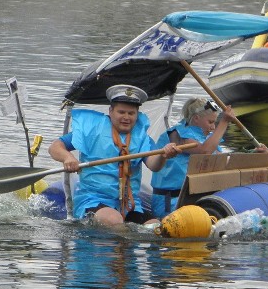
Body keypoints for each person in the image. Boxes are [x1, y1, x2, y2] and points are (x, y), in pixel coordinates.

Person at [48, 84, 179, 226]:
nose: (126, 117)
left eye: (131, 113)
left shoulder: (142, 137)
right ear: (111, 111)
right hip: (94, 199)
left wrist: (164, 155)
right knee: (114, 220)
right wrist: (68, 157)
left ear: (137, 114)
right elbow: (55, 147)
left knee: (155, 226)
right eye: (121, 112)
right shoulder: (92, 129)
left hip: (130, 204)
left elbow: (154, 165)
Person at [150, 98, 267, 218]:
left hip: (196, 197)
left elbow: (225, 160)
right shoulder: (176, 134)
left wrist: (253, 154)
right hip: (171, 201)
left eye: (215, 123)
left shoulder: (208, 138)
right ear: (196, 118)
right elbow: (204, 151)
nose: (213, 127)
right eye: (210, 122)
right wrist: (224, 122)